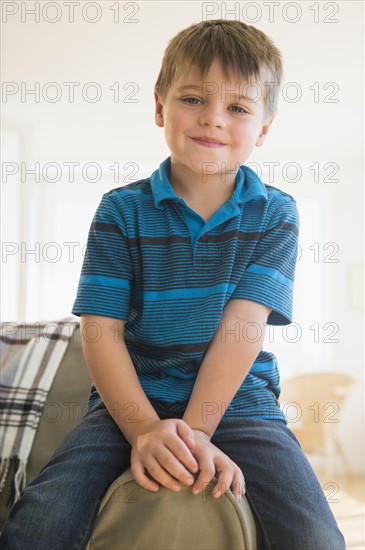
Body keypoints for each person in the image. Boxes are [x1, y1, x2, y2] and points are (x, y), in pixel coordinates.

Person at [0, 19, 345, 549]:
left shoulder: (277, 214)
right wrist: (142, 430)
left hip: (240, 403)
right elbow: (101, 331)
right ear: (160, 106)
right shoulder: (120, 210)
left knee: (316, 536)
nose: (212, 118)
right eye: (193, 99)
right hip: (130, 402)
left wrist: (196, 434)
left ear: (264, 128)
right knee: (39, 523)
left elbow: (242, 330)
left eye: (237, 107)